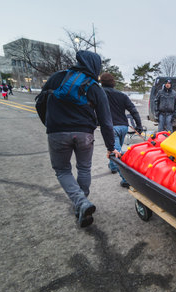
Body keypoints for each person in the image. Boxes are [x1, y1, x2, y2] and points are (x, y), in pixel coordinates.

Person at [40, 50, 120, 228]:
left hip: (57, 132)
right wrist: (110, 147)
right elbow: (106, 122)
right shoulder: (94, 87)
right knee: (84, 168)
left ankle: (80, 203)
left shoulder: (57, 78)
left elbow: (41, 102)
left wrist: (50, 124)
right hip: (85, 134)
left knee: (62, 170)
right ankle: (82, 203)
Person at [100, 72, 143, 188]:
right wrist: (139, 125)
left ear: (101, 83)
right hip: (123, 127)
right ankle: (113, 167)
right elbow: (133, 110)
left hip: (111, 128)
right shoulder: (122, 95)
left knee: (116, 152)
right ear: (113, 82)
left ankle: (126, 180)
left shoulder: (100, 94)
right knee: (115, 148)